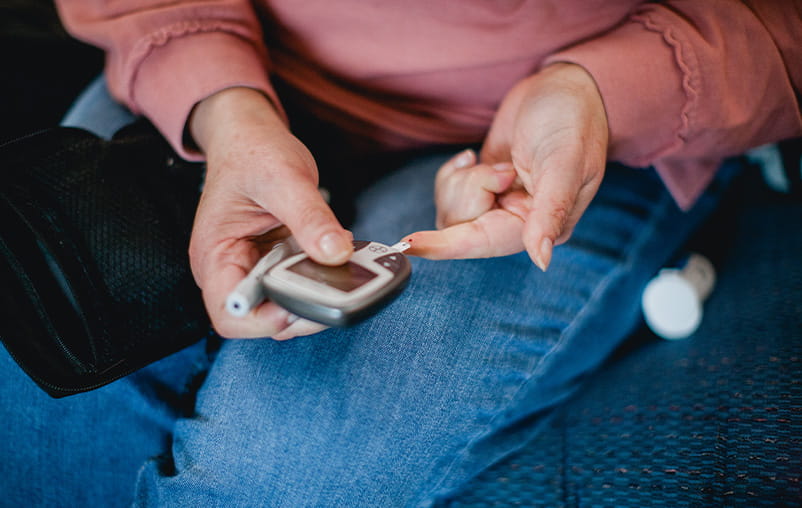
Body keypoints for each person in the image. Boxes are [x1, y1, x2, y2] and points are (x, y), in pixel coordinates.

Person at [1, 1, 800, 506]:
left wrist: (612, 89)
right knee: (50, 379)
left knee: (272, 484)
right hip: (218, 75)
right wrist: (223, 109)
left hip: (579, 130)